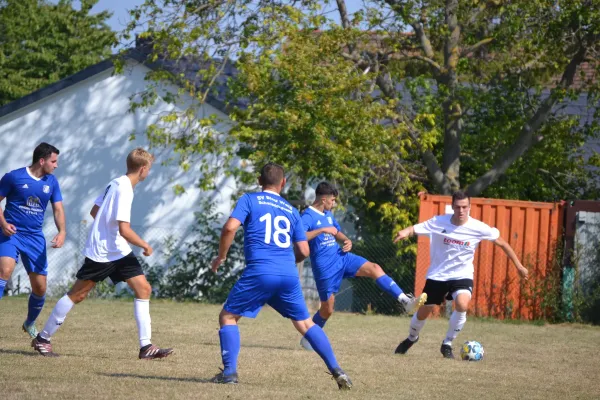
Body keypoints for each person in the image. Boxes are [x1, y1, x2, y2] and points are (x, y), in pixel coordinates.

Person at [210, 163, 352, 389]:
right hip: (287, 273)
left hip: (260, 271)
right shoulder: (291, 210)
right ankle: (337, 370)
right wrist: (284, 264)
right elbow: (304, 251)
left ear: (259, 180)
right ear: (283, 183)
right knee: (305, 323)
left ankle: (229, 373)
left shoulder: (250, 200)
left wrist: (221, 256)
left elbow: (229, 228)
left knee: (228, 317)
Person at [31, 148, 173, 360]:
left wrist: (109, 229)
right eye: (149, 169)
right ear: (143, 169)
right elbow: (124, 229)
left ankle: (146, 347)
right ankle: (43, 338)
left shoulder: (115, 182)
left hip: (118, 250)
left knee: (143, 289)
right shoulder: (124, 189)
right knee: (77, 294)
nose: (148, 173)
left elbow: (95, 212)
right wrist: (145, 245)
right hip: (103, 251)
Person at [393, 191, 529, 358]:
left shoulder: (478, 227)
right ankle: (412, 338)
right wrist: (405, 232)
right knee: (424, 311)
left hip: (462, 275)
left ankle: (447, 343)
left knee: (463, 304)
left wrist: (519, 266)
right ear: (453, 207)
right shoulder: (439, 221)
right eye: (458, 207)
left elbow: (502, 243)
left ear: (470, 207)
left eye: (464, 207)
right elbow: (415, 228)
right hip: (438, 275)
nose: (461, 210)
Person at [299, 182, 427, 351]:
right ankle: (309, 337)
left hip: (341, 257)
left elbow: (335, 231)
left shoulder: (327, 214)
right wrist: (321, 230)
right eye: (333, 200)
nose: (334, 203)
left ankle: (405, 301)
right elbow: (300, 236)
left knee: (374, 268)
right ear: (324, 199)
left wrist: (346, 240)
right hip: (325, 268)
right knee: (327, 309)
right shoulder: (307, 216)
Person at [0, 142, 66, 338]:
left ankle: (29, 323)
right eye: (53, 161)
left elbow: (58, 209)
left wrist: (62, 232)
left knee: (40, 287)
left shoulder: (51, 182)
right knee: (5, 270)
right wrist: (3, 223)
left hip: (35, 238)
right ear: (42, 160)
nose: (56, 165)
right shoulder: (14, 177)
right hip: (10, 233)